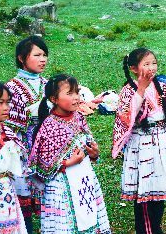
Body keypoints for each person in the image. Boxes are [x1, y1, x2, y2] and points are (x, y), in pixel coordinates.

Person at [112, 48, 166, 234]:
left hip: (160, 142)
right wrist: (141, 89)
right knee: (144, 191)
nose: (151, 68)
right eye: (146, 64)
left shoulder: (160, 86)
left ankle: (156, 227)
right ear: (134, 68)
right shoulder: (128, 90)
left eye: (154, 63)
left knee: (159, 189)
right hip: (141, 144)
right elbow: (128, 116)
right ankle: (145, 230)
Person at [29, 74, 111, 233]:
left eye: (77, 93)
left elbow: (88, 143)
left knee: (89, 218)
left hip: (84, 178)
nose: (76, 98)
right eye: (70, 93)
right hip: (61, 185)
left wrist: (94, 153)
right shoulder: (49, 127)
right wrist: (68, 162)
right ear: (54, 98)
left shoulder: (79, 117)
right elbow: (42, 166)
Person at [5, 36, 49, 233]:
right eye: (37, 55)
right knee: (23, 204)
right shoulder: (11, 88)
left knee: (50, 199)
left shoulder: (49, 84)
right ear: (22, 58)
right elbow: (8, 126)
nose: (43, 59)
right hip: (22, 150)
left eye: (45, 55)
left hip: (46, 149)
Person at [0, 82, 28, 234]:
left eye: (8, 102)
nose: (6, 107)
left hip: (6, 192)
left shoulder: (6, 132)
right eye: (0, 102)